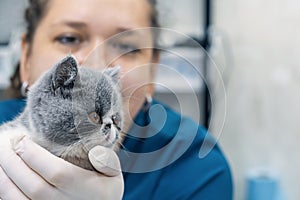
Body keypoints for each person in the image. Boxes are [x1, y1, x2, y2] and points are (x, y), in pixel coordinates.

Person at [0, 0, 233, 199]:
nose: (96, 65)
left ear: (153, 72)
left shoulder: (197, 167)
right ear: (26, 59)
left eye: (126, 47)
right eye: (69, 38)